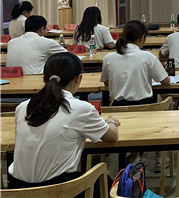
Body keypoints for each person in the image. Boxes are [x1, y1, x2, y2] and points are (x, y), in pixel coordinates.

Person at [8, 52, 119, 195]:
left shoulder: (23, 107)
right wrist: (111, 121)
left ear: (44, 78)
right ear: (78, 78)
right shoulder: (81, 108)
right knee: (108, 182)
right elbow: (111, 136)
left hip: (17, 190)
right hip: (60, 190)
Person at [100, 20, 169, 171]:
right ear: (142, 37)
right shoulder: (147, 57)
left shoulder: (109, 58)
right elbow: (165, 81)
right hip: (145, 110)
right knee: (162, 109)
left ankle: (134, 157)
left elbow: (106, 83)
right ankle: (159, 159)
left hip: (117, 110)